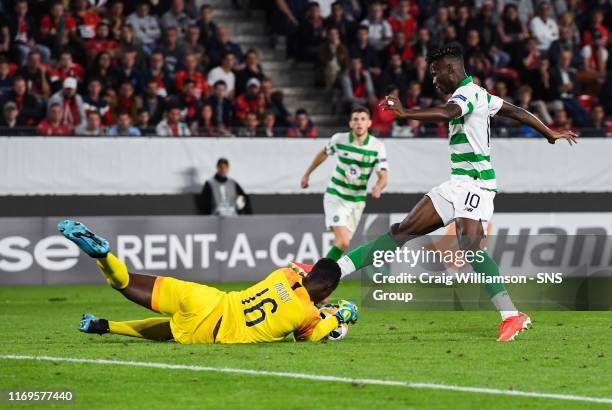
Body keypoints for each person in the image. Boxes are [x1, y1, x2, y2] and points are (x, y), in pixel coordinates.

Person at [337, 43, 577, 342]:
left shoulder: (466, 94)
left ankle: (512, 315)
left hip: (477, 183)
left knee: (469, 245)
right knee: (402, 231)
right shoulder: (481, 95)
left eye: (436, 74)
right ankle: (335, 270)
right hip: (457, 183)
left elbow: (448, 112)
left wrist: (406, 112)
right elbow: (516, 111)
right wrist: (549, 133)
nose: (434, 80)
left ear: (451, 69)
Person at [59, 220, 357, 344]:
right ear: (329, 290)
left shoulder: (283, 274)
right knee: (173, 333)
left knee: (123, 283)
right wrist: (338, 317)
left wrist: (320, 300)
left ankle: (104, 257)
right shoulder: (305, 314)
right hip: (213, 329)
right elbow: (310, 337)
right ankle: (106, 319)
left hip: (206, 297)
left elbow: (302, 277)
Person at [301, 105, 388, 262]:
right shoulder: (339, 139)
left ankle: (321, 276)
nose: (359, 123)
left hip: (357, 201)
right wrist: (307, 175)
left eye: (362, 119)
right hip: (336, 196)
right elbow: (323, 153)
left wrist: (378, 186)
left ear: (369, 123)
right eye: (355, 119)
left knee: (342, 245)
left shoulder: (377, 147)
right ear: (350, 123)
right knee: (343, 240)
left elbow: (383, 175)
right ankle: (318, 275)